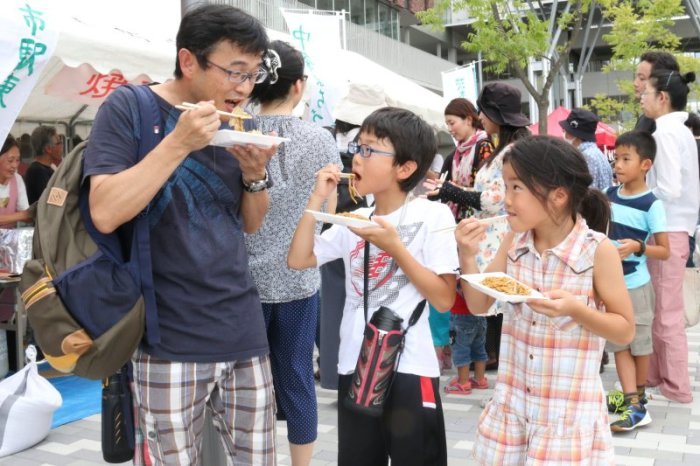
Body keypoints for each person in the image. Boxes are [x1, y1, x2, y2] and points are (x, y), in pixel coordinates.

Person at [82, 5, 278, 464]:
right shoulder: (131, 106)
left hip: (242, 327)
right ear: (188, 61)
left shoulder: (237, 122)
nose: (244, 88)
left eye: (253, 75)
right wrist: (178, 142)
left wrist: (254, 177)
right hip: (166, 336)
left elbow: (249, 224)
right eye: (234, 71)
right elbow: (105, 211)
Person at [288, 107, 458, 466]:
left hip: (411, 366)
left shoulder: (433, 216)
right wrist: (315, 200)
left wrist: (396, 247)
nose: (356, 158)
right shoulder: (354, 220)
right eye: (357, 147)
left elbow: (443, 299)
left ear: (405, 168)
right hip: (357, 364)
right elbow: (299, 259)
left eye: (369, 149)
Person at [456, 135, 634, 464]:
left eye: (516, 188)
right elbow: (479, 306)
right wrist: (467, 255)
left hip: (565, 416)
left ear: (558, 196)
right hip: (513, 407)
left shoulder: (597, 251)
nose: (504, 198)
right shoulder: (514, 241)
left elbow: (624, 330)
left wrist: (576, 310)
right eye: (505, 186)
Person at [245, 40, 342, 466]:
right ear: (298, 86)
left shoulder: (236, 130)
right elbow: (330, 214)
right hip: (298, 281)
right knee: (299, 379)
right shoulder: (319, 139)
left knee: (246, 387)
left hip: (241, 285)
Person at [428, 82, 531, 371]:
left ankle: (497, 364)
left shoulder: (509, 151)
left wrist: (451, 191)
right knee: (490, 304)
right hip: (492, 235)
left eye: (483, 112)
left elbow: (493, 200)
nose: (480, 117)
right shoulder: (505, 147)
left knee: (497, 305)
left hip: (500, 237)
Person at [640, 69, 700, 403]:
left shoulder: (665, 133)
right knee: (660, 309)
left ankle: (676, 386)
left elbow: (670, 188)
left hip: (668, 229)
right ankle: (656, 376)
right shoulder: (679, 131)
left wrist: (639, 191)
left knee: (665, 313)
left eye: (644, 93)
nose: (641, 99)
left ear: (661, 97)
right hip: (674, 229)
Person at [603, 131, 669, 432]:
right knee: (619, 346)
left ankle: (637, 401)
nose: (618, 164)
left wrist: (637, 247)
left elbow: (664, 250)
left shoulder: (652, 204)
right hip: (612, 287)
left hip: (638, 287)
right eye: (616, 158)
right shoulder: (608, 195)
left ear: (645, 164)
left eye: (625, 159)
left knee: (640, 347)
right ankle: (632, 400)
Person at [559, 107, 613, 191]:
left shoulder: (587, 157)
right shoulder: (595, 153)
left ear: (575, 134)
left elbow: (587, 192)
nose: (564, 134)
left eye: (565, 130)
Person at [633, 51, 680, 134]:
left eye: (642, 78)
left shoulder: (668, 128)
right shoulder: (645, 118)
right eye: (636, 77)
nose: (635, 83)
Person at [25, 126, 61, 204]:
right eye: (58, 143)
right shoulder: (37, 171)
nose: (61, 146)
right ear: (48, 149)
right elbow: (53, 201)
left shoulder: (49, 168)